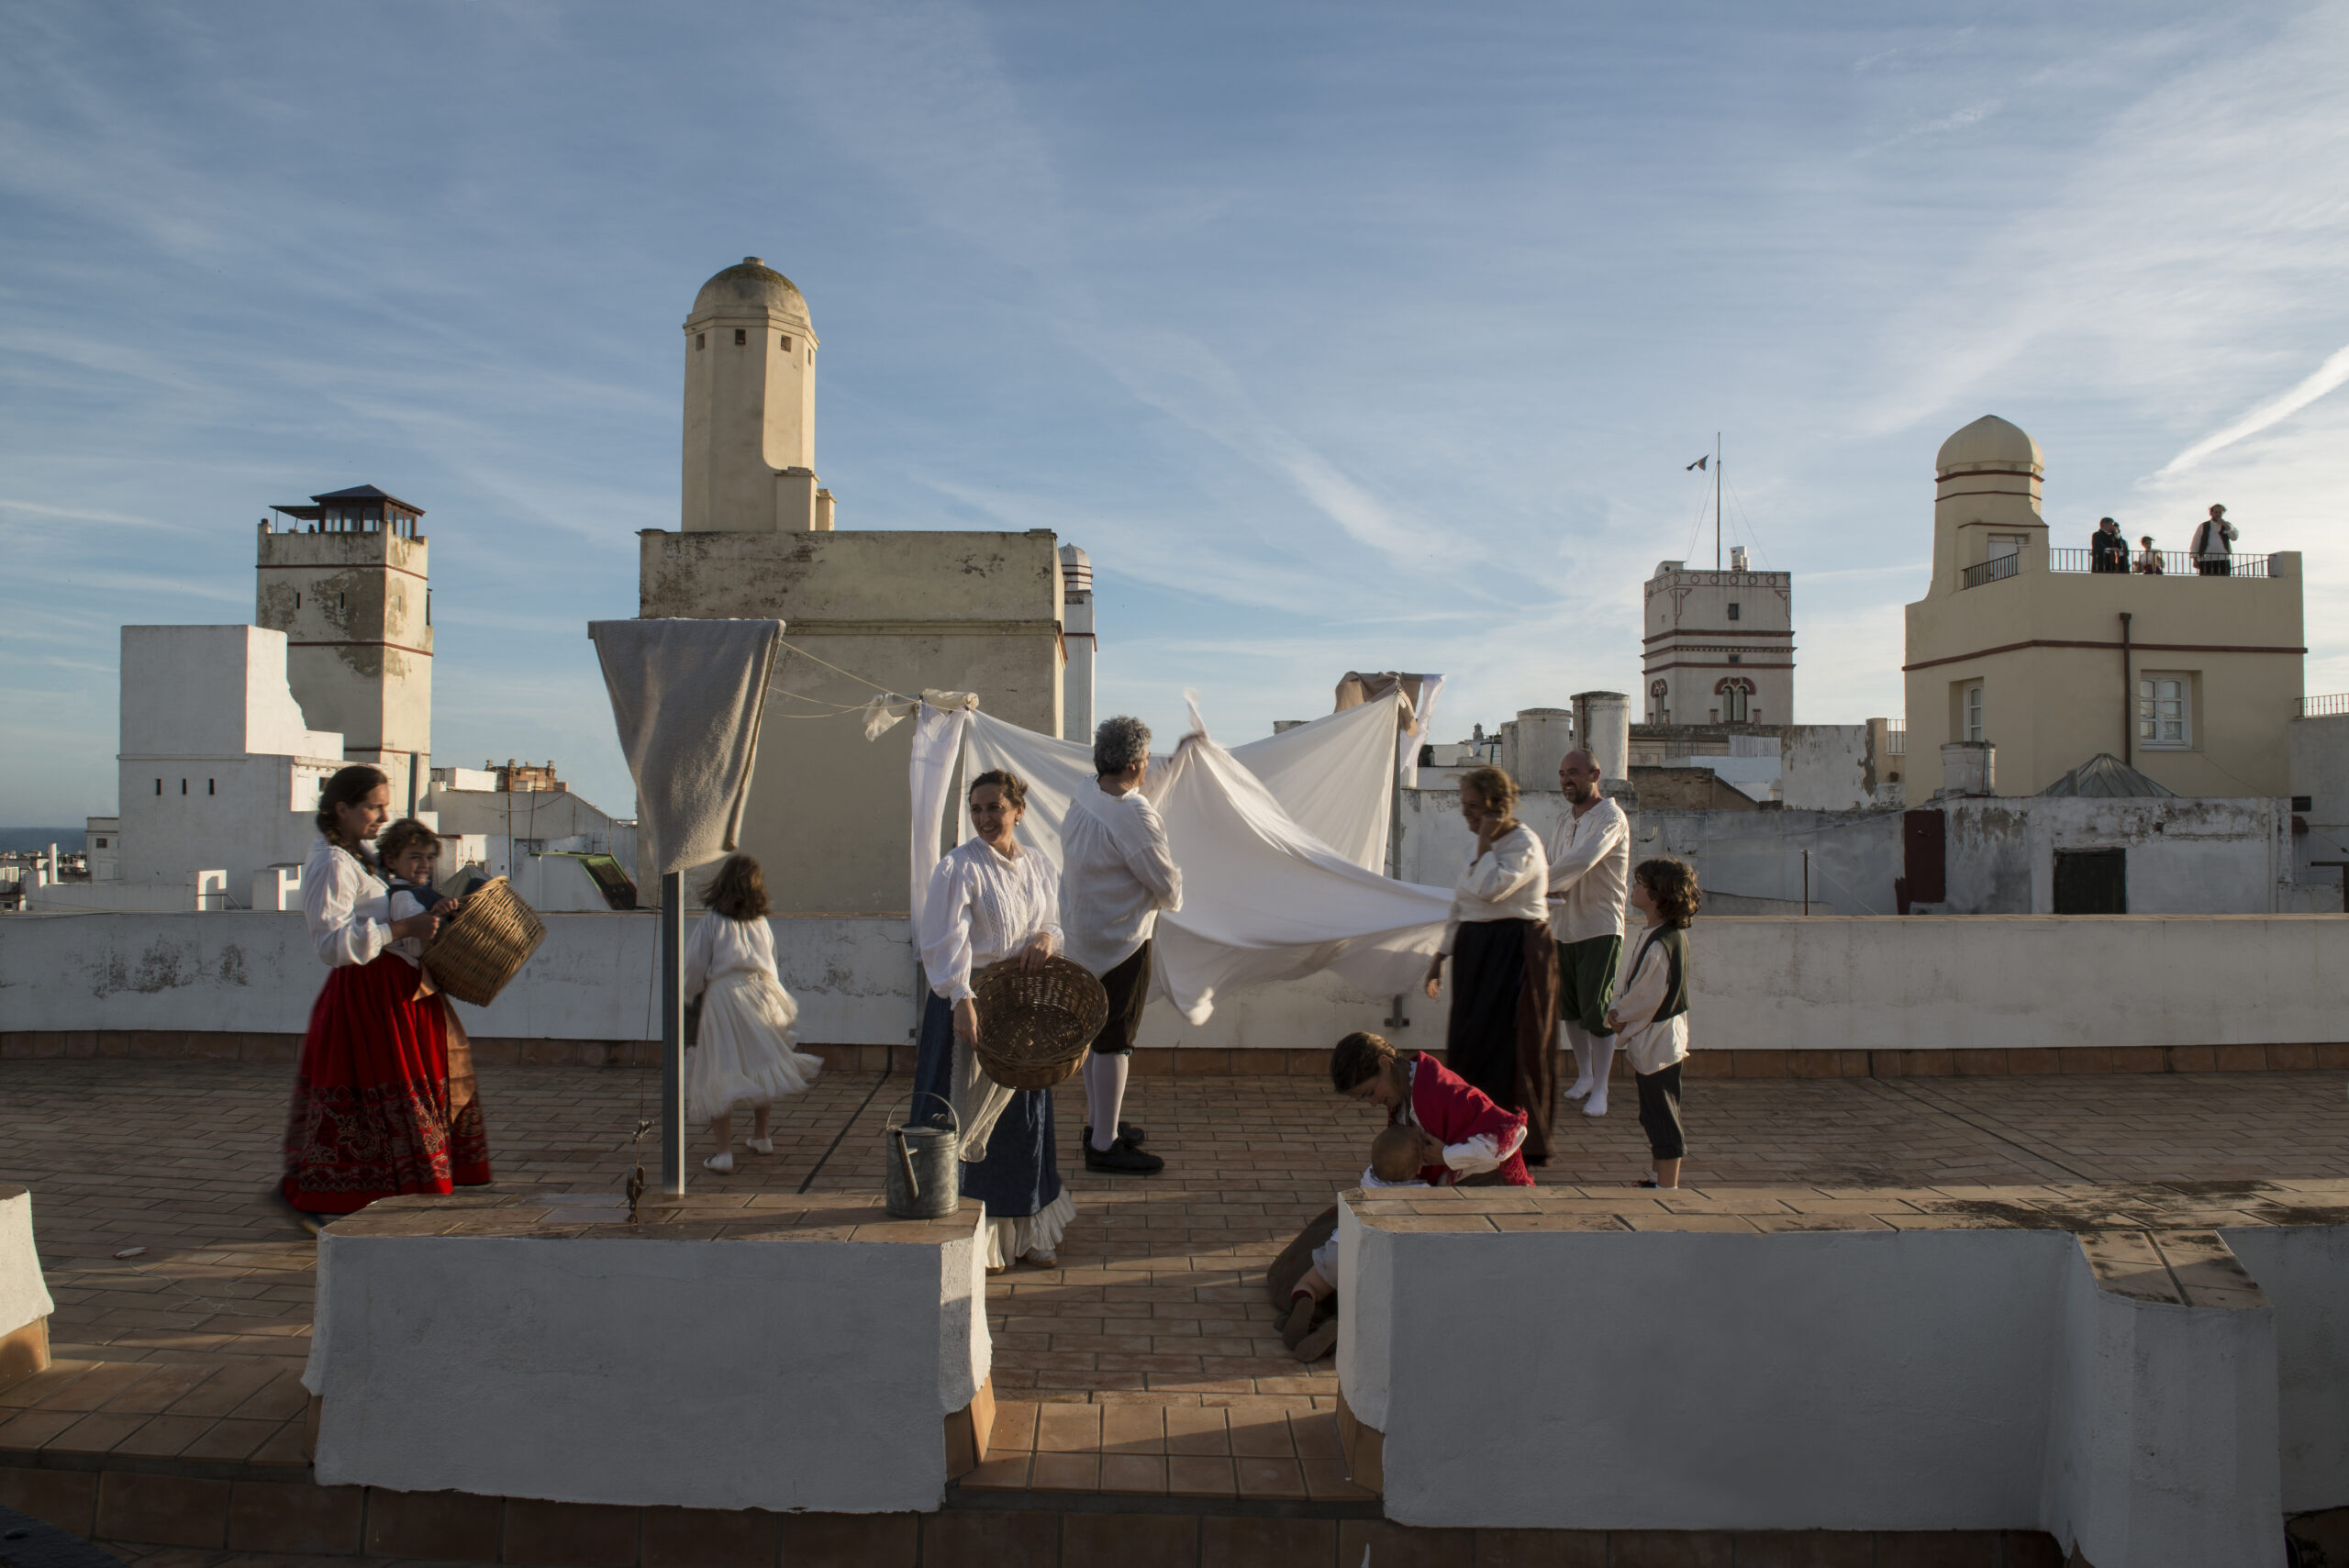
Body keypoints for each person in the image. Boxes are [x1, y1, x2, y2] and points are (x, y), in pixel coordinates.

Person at [278, 766, 489, 1232]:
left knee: (383, 1100)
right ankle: (324, 1196)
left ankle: (374, 1195)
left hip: (388, 995)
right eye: (374, 806)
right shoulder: (333, 863)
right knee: (363, 1100)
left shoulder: (359, 857)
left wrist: (422, 916)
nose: (382, 815)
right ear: (343, 809)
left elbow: (388, 904)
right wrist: (401, 929)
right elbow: (331, 944)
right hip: (362, 997)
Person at [913, 769, 1075, 1271]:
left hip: (1021, 1008)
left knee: (1022, 1121)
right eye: (977, 809)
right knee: (959, 1113)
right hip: (969, 1001)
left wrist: (1047, 939)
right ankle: (965, 1233)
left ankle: (1027, 1231)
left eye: (995, 808)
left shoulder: (1040, 866)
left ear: (1018, 811)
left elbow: (1051, 920)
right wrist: (960, 998)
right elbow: (944, 940)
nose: (985, 818)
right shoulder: (958, 868)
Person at [1062, 716, 1182, 1175]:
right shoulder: (1134, 814)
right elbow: (1166, 886)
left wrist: (1178, 756)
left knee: (1097, 1037)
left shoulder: (1086, 790)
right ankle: (1105, 1146)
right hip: (1121, 941)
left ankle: (1099, 1126)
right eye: (1148, 761)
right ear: (1134, 764)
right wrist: (1176, 891)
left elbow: (1126, 795)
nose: (1151, 766)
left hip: (1083, 936)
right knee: (1116, 1042)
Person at [1424, 765, 1560, 1162]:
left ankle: (1516, 1142)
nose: (1466, 814)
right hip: (1477, 955)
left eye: (1473, 806)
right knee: (1472, 1045)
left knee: (1512, 1049)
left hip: (1514, 953)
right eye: (1463, 806)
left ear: (1496, 807)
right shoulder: (1479, 844)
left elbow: (1490, 888)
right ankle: (1475, 1134)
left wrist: (1485, 845)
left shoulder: (1524, 844)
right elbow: (1463, 905)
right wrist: (1441, 955)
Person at [683, 855, 822, 1173]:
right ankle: (761, 1136)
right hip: (762, 994)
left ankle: (723, 1153)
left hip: (725, 997)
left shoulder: (713, 921)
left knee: (720, 1068)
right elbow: (771, 963)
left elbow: (694, 966)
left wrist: (690, 996)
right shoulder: (762, 923)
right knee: (761, 1063)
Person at [1271, 1123, 1433, 1362]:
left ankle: (1303, 1302)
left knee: (1310, 1283)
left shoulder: (1368, 1177)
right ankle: (1339, 1327)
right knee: (1363, 1305)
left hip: (1341, 1249)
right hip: (1378, 1262)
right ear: (1419, 1166)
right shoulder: (1424, 1192)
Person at [375, 818, 484, 1158]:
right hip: (410, 991)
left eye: (428, 857)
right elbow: (414, 946)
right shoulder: (404, 898)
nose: (423, 864)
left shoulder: (417, 894)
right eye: (414, 857)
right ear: (391, 861)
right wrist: (435, 916)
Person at [1605, 859, 1700, 1190]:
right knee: (1653, 1112)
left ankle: (1667, 1186)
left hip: (1660, 1041)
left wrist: (1618, 1014)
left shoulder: (1662, 942)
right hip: (1657, 1039)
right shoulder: (1660, 935)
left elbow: (1647, 994)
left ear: (1658, 896)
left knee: (1662, 1115)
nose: (1634, 888)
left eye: (1640, 883)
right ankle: (1658, 1177)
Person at [1330, 1029, 1532, 1185]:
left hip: (1490, 1184)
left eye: (1370, 1092)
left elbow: (1513, 1132)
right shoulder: (1403, 1096)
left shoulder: (1439, 1088)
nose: (1373, 1103)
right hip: (1456, 1183)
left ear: (1384, 1063)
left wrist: (1447, 1155)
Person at [1546, 750, 1630, 1119]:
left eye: (1575, 773)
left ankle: (1602, 1089)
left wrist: (1533, 885)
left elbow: (1583, 860)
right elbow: (1554, 864)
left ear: (1595, 774)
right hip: (1563, 926)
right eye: (1563, 773)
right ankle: (1584, 1077)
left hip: (1599, 926)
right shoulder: (1564, 820)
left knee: (1596, 1010)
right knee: (1570, 1009)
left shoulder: (1611, 817)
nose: (1567, 780)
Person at [2191, 504, 2237, 576]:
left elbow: (2234, 537)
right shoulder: (2203, 526)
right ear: (2211, 513)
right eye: (2216, 512)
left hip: (2223, 560)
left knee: (2224, 583)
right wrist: (2195, 559)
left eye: (2220, 512)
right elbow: (2196, 542)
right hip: (2206, 560)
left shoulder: (2227, 525)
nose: (2218, 514)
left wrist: (2225, 525)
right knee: (2206, 583)